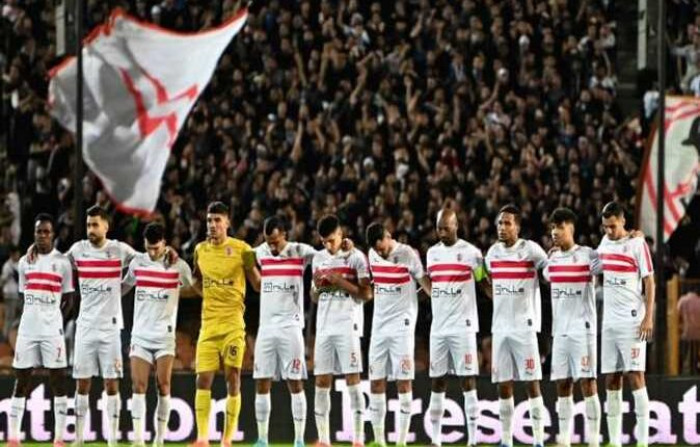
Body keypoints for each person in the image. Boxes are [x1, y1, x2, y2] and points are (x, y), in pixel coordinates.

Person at [190, 201, 260, 447]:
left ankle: (227, 439)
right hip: (208, 325)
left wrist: (267, 266)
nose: (212, 224)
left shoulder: (242, 249)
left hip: (232, 325)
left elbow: (257, 284)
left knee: (233, 377)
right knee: (202, 380)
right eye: (209, 220)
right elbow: (196, 279)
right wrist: (206, 294)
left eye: (217, 220)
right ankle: (202, 438)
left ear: (227, 223)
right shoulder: (200, 250)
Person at [68, 205, 140, 447]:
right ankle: (79, 438)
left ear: (106, 226)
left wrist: (124, 286)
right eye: (88, 225)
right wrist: (34, 250)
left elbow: (143, 260)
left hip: (110, 328)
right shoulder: (78, 250)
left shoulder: (119, 249)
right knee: (82, 383)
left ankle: (112, 439)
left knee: (111, 383)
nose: (91, 229)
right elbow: (57, 262)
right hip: (85, 326)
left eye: (95, 225)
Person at [122, 223, 195, 447]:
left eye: (156, 248)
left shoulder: (178, 266)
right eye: (149, 248)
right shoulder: (138, 263)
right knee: (138, 386)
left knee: (163, 385)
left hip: (164, 336)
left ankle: (159, 439)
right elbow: (125, 286)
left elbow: (192, 287)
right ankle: (137, 440)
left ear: (164, 243)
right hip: (140, 335)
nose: (152, 252)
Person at [250, 216, 317, 447]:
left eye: (275, 242)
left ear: (285, 235)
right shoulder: (260, 252)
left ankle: (299, 440)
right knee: (261, 381)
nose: (272, 247)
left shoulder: (299, 251)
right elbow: (243, 256)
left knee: (295, 382)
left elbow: (324, 257)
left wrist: (345, 249)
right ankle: (262, 439)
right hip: (266, 327)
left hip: (291, 327)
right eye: (268, 241)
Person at [484, 204, 548, 447]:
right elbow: (488, 284)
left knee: (532, 383)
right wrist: (494, 294)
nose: (502, 227)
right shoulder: (492, 253)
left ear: (517, 227)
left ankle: (538, 440)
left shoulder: (530, 249)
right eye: (500, 223)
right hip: (500, 328)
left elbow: (549, 270)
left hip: (525, 327)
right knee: (504, 385)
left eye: (507, 223)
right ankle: (507, 440)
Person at [7, 214, 74, 447]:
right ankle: (14, 438)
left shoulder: (63, 262)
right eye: (39, 231)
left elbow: (69, 299)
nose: (43, 235)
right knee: (21, 381)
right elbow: (23, 296)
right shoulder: (25, 262)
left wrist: (55, 318)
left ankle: (59, 439)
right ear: (34, 233)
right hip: (28, 330)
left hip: (52, 332)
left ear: (53, 234)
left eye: (46, 231)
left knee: (58, 382)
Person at [425, 207, 487, 447]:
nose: (441, 233)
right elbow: (431, 286)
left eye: (446, 228)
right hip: (439, 328)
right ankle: (436, 440)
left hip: (463, 326)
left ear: (456, 226)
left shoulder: (472, 253)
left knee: (467, 381)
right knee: (437, 382)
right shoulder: (432, 254)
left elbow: (483, 282)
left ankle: (473, 440)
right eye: (438, 228)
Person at [365, 222, 431, 447]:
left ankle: (401, 442)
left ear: (388, 236)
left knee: (403, 383)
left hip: (402, 326)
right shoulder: (372, 254)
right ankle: (379, 441)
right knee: (376, 383)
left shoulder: (407, 254)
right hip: (378, 327)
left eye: (382, 248)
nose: (380, 253)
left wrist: (440, 297)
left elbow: (425, 283)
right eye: (377, 250)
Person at [597, 202, 654, 447]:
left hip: (632, 321)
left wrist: (648, 316)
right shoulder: (604, 243)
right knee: (612, 379)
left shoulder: (637, 244)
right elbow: (592, 262)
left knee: (636, 376)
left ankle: (642, 441)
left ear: (622, 221)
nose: (609, 231)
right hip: (609, 322)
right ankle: (614, 440)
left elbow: (650, 282)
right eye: (605, 227)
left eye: (613, 226)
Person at [311, 214, 371, 447]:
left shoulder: (355, 257)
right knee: (321, 382)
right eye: (324, 241)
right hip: (324, 327)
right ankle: (324, 440)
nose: (328, 245)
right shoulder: (318, 259)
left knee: (353, 381)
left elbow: (366, 294)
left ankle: (358, 439)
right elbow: (314, 297)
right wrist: (317, 287)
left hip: (348, 325)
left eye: (332, 240)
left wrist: (341, 282)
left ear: (340, 234)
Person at [544, 208, 602, 447]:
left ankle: (594, 440)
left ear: (571, 228)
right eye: (552, 228)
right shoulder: (552, 260)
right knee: (563, 383)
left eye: (560, 227)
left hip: (583, 329)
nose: (555, 232)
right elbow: (545, 275)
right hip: (560, 332)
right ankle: (564, 440)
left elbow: (608, 261)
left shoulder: (588, 255)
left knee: (588, 383)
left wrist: (631, 237)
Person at [0, 245, 21, 337]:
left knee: (20, 315)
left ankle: (10, 333)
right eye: (16, 254)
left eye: (18, 254)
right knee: (9, 316)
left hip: (18, 294)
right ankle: (5, 336)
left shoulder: (19, 264)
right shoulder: (7, 266)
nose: (17, 256)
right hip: (9, 294)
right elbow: (2, 281)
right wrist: (7, 276)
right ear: (11, 254)